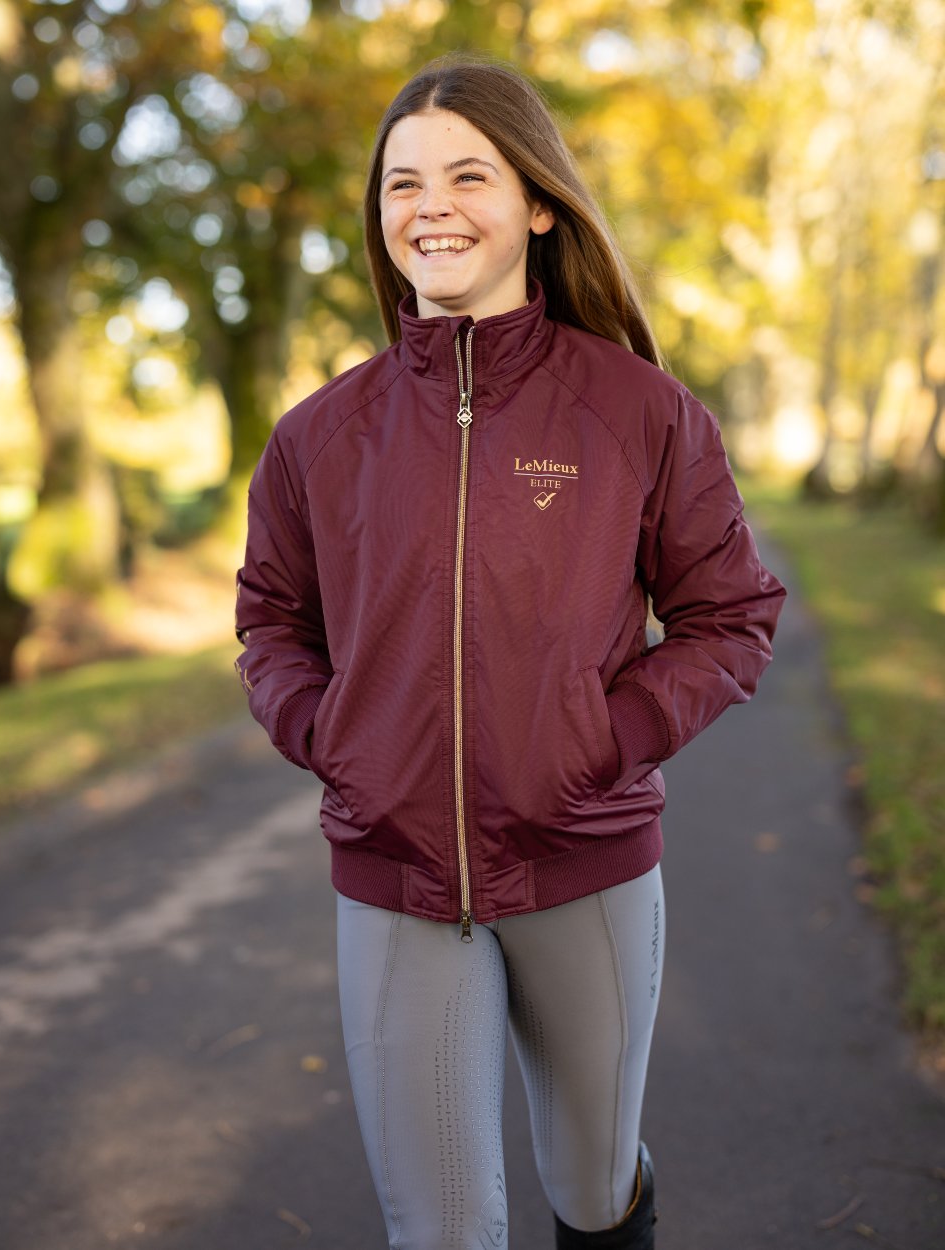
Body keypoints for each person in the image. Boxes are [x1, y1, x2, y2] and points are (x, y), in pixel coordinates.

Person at [235, 56, 785, 1250]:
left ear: (537, 201)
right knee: (441, 1228)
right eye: (401, 184)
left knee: (590, 1188)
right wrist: (333, 738)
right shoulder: (320, 435)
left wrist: (608, 737)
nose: (428, 205)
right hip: (395, 870)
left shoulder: (640, 411)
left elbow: (730, 612)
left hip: (583, 861)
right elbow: (269, 618)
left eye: (466, 174)